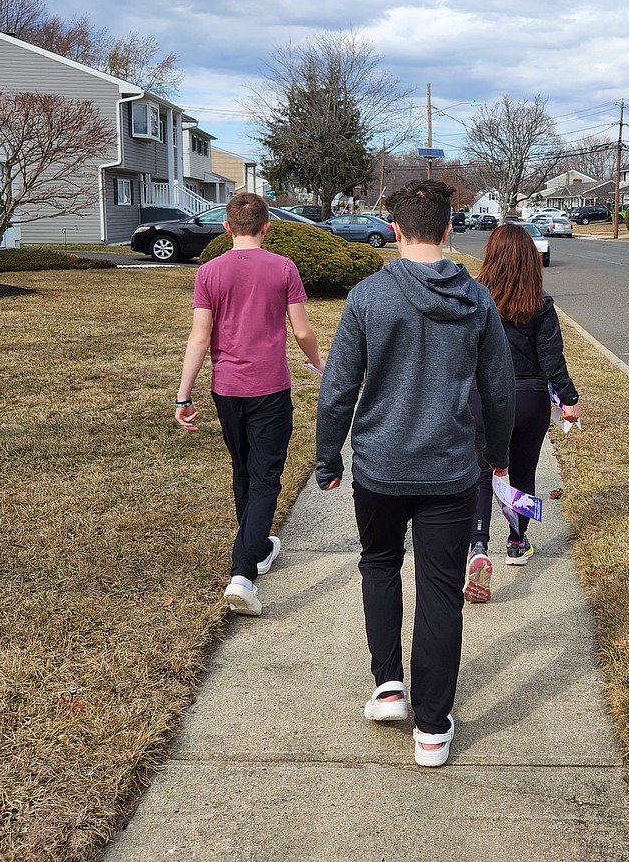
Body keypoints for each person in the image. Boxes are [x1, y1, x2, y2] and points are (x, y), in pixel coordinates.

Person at [315, 179, 514, 768]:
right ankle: (432, 728)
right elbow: (498, 392)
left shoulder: (368, 298)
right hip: (450, 472)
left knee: (378, 564)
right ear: (450, 229)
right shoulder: (477, 301)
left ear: (395, 230)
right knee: (439, 590)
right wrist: (498, 454)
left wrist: (329, 456)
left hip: (379, 466)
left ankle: (388, 686)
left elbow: (337, 389)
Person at [175, 191, 324, 617]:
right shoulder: (283, 267)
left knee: (244, 469)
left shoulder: (209, 271)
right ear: (267, 226)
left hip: (226, 390)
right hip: (270, 389)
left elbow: (199, 337)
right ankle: (244, 573)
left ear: (226, 227)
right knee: (264, 478)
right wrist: (319, 364)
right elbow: (301, 332)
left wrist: (183, 395)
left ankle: (256, 548)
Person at [465, 221, 580, 604]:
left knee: (483, 473)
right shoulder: (540, 303)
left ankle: (478, 544)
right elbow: (552, 358)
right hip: (530, 398)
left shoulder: (473, 298)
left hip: (483, 396)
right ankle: (517, 542)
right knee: (524, 471)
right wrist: (569, 399)